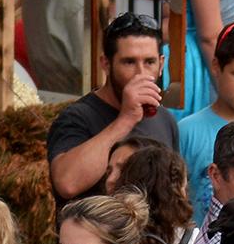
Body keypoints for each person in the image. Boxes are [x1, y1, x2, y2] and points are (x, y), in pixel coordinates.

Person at [48, 11, 180, 203]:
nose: (141, 73)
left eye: (149, 62)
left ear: (161, 64)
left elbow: (174, 195)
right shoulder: (77, 117)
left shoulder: (165, 119)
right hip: (94, 231)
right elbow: (67, 184)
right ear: (106, 64)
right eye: (129, 62)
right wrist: (125, 120)